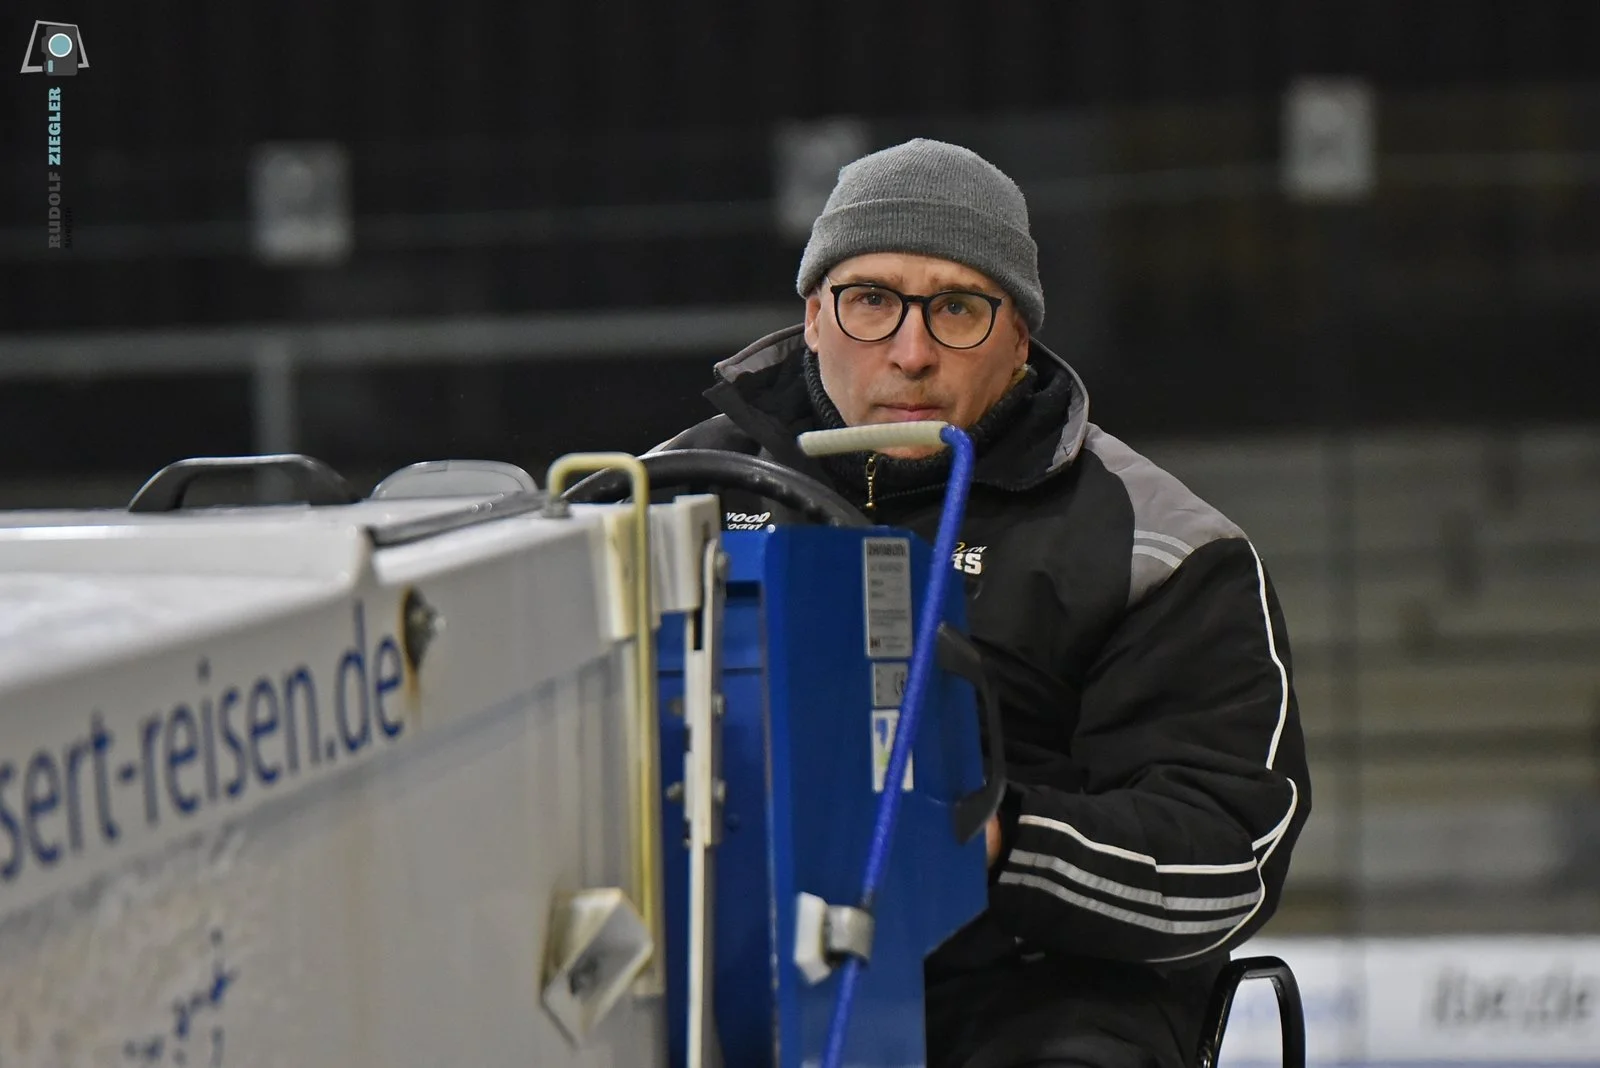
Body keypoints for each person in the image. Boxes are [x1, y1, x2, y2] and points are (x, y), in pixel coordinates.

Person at [656, 138, 1311, 1068]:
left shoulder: (1160, 548)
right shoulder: (671, 495)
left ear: (1020, 338)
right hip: (715, 966)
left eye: (957, 307)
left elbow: (1224, 862)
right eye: (872, 301)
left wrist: (1000, 838)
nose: (911, 352)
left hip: (1034, 996)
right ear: (813, 316)